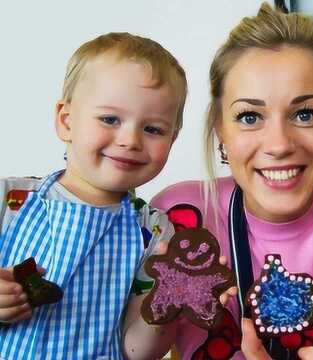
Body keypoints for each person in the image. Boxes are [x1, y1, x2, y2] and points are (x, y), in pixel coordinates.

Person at [123, 4, 313, 359]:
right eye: (250, 116)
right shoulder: (178, 220)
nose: (280, 145)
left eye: (305, 114)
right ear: (221, 127)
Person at [0, 32, 187, 358]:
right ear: (66, 121)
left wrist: (168, 298)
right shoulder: (9, 199)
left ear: (171, 141)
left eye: (153, 129)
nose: (130, 139)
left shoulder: (155, 234)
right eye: (110, 119)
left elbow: (138, 351)